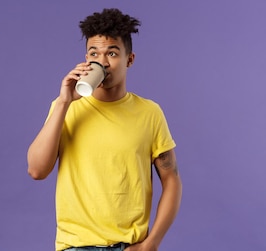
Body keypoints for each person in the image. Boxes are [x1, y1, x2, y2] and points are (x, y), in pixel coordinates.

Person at [26, 8, 182, 251]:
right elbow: (36, 170)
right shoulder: (64, 108)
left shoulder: (150, 113)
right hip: (76, 246)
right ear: (86, 59)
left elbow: (171, 179)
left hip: (130, 245)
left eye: (112, 52)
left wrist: (152, 243)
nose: (102, 61)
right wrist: (64, 102)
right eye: (93, 53)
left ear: (129, 59)